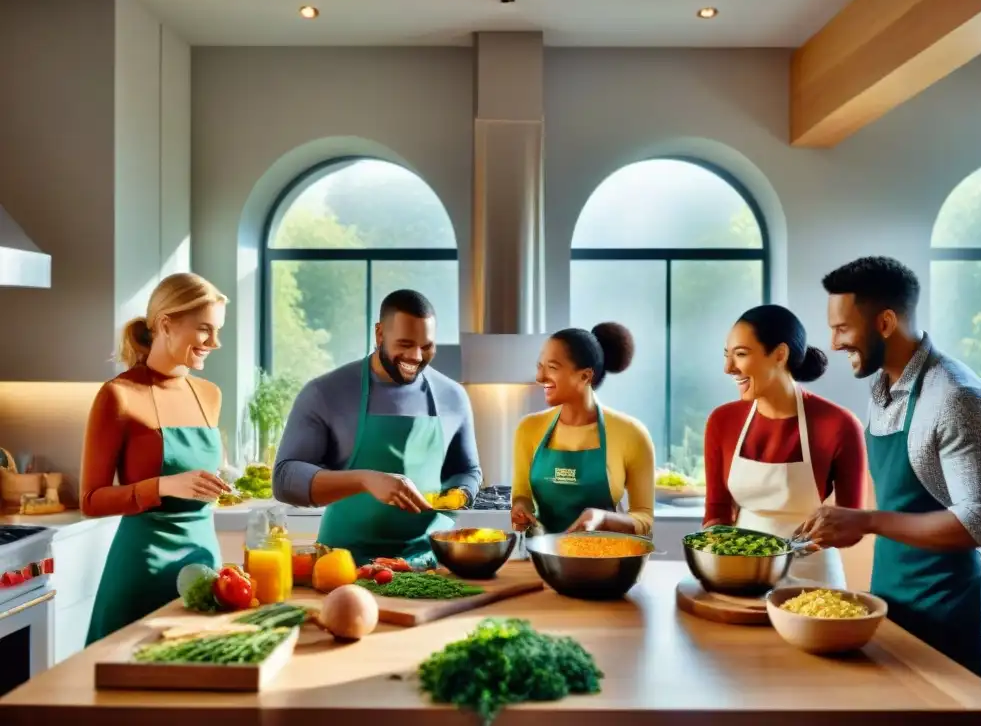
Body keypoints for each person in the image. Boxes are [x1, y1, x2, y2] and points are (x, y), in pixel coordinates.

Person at [799, 256, 981, 695]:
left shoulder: (957, 397)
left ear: (885, 322)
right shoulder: (882, 390)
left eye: (842, 328)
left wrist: (869, 520)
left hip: (955, 617)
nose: (833, 343)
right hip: (896, 606)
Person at [273, 289, 482, 567]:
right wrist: (365, 480)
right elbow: (284, 479)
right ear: (380, 334)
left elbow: (466, 471)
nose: (416, 356)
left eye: (427, 346)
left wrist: (460, 494)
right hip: (343, 563)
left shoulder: (452, 396)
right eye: (405, 344)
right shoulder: (326, 392)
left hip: (426, 563)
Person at [82, 273, 231, 644]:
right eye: (204, 330)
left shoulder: (209, 395)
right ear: (166, 324)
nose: (215, 342)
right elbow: (90, 500)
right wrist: (165, 485)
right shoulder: (119, 395)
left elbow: (205, 471)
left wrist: (224, 479)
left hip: (202, 565)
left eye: (218, 331)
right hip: (142, 569)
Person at [703, 304, 867, 588]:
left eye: (740, 354)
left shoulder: (838, 425)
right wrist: (724, 557)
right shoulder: (722, 422)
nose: (728, 368)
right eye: (727, 356)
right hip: (743, 575)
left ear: (780, 354)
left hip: (813, 581)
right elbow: (717, 509)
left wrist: (815, 538)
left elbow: (854, 527)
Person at [510, 323, 656, 536]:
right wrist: (520, 509)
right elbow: (522, 496)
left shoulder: (632, 433)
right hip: (544, 559)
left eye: (552, 367)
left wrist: (603, 519)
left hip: (606, 560)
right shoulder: (529, 429)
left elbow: (644, 518)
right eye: (539, 366)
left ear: (586, 376)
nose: (540, 378)